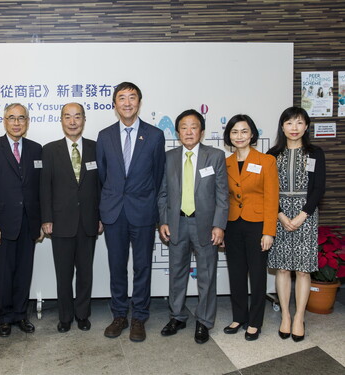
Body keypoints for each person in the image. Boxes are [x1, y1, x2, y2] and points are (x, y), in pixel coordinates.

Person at [96, 82, 166, 342]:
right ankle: (119, 315)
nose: (127, 103)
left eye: (132, 98)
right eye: (121, 98)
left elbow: (158, 176)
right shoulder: (104, 136)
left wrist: (155, 210)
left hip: (143, 212)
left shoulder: (155, 135)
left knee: (142, 266)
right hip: (114, 212)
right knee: (116, 266)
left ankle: (139, 317)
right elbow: (103, 176)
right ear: (114, 104)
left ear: (139, 102)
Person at [158, 109, 229, 344]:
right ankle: (177, 316)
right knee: (177, 274)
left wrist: (219, 225)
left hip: (206, 226)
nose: (189, 131)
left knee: (206, 276)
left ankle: (204, 321)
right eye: (184, 127)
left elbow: (222, 195)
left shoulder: (215, 156)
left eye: (194, 126)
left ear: (202, 131)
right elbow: (162, 194)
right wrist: (163, 220)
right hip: (177, 223)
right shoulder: (168, 158)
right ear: (178, 132)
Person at [0, 103, 43, 338]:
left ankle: (20, 315)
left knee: (24, 272)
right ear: (4, 121)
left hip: (29, 223)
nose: (17, 123)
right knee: (4, 273)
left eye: (21, 118)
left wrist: (41, 222)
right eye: (12, 118)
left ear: (27, 122)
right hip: (2, 224)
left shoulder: (37, 149)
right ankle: (4, 317)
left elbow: (41, 189)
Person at [40, 103, 102, 333]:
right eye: (68, 117)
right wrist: (46, 218)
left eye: (77, 117)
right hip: (60, 222)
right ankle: (65, 316)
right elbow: (44, 187)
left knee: (86, 272)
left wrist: (101, 216)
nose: (73, 121)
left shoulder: (96, 148)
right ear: (61, 120)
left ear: (84, 120)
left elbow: (101, 186)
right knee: (63, 273)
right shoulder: (49, 150)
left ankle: (82, 314)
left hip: (88, 221)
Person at [267, 107, 326, 342]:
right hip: (279, 214)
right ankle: (285, 316)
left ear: (306, 127)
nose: (294, 128)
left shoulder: (315, 153)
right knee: (282, 268)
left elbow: (318, 188)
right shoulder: (272, 154)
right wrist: (280, 215)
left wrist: (302, 215)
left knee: (302, 270)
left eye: (299, 123)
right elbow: (268, 191)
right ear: (282, 126)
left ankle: (299, 317)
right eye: (289, 123)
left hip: (307, 215)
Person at [222, 114, 279, 341]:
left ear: (252, 134)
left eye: (244, 131)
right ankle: (239, 317)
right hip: (232, 224)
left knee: (257, 275)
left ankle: (255, 322)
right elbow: (223, 197)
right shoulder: (224, 163)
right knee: (236, 273)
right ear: (229, 136)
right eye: (235, 132)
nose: (239, 136)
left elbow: (272, 199)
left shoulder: (266, 161)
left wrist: (269, 231)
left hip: (257, 225)